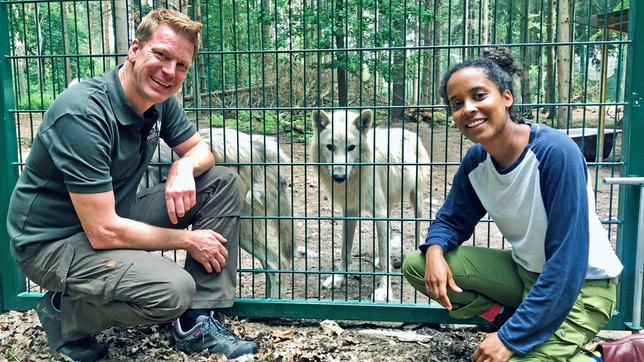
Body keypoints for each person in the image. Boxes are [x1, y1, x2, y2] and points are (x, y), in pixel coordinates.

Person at [7, 9, 258, 361]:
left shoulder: (160, 101)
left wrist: (184, 166)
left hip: (109, 217)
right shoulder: (83, 113)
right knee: (173, 290)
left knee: (222, 183)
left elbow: (202, 150)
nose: (169, 71)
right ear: (135, 49)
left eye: (181, 65)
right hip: (52, 243)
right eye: (161, 55)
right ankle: (66, 313)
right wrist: (188, 240)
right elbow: (103, 233)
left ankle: (196, 321)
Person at [402, 47, 624, 362]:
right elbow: (452, 220)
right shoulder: (477, 161)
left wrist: (509, 339)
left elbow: (567, 261)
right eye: (457, 104)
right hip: (526, 275)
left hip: (582, 286)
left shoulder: (555, 153)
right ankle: (513, 319)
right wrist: (435, 250)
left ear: (506, 97)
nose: (468, 109)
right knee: (418, 264)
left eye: (479, 96)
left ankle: (598, 356)